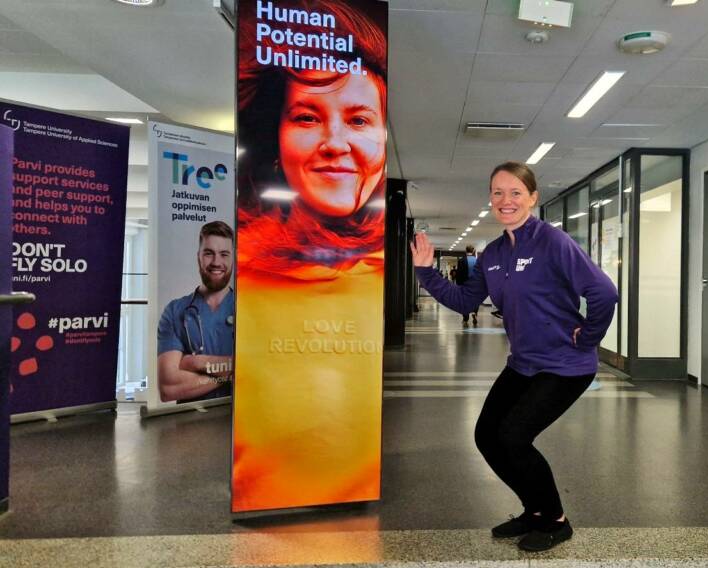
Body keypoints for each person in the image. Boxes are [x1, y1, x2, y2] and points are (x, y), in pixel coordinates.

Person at [410, 161, 618, 552]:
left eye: (516, 192)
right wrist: (426, 272)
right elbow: (465, 301)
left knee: (514, 436)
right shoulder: (493, 253)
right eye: (498, 192)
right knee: (486, 436)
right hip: (523, 363)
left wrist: (588, 337)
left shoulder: (552, 242)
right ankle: (533, 510)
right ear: (491, 198)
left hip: (565, 365)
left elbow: (604, 293)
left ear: (532, 198)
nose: (506, 200)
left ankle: (555, 519)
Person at [232, 0, 387, 512]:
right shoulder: (247, 272)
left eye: (359, 119)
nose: (335, 143)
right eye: (306, 117)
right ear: (274, 137)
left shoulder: (377, 271)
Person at [157, 221, 234, 404]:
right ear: (198, 257)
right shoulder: (175, 311)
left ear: (234, 258)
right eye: (208, 253)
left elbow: (260, 370)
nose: (216, 262)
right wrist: (232, 372)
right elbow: (169, 388)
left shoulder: (251, 308)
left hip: (239, 416)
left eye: (224, 254)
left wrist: (196, 363)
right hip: (190, 418)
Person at [455, 245, 479, 325]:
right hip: (475, 284)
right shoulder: (477, 260)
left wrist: (458, 285)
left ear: (466, 251)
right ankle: (475, 313)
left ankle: (465, 318)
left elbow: (459, 274)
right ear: (473, 251)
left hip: (464, 284)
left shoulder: (461, 260)